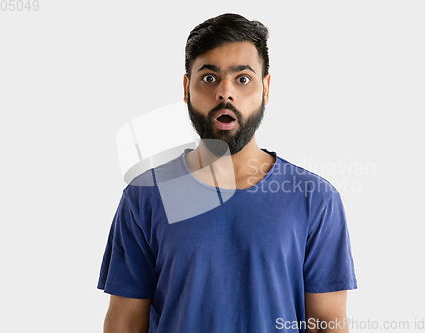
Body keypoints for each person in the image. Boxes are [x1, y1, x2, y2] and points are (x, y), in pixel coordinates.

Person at [98, 13, 357, 333]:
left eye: (242, 78)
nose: (225, 93)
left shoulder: (314, 198)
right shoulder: (146, 194)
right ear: (186, 87)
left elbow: (326, 323)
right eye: (209, 78)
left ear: (265, 87)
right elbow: (124, 320)